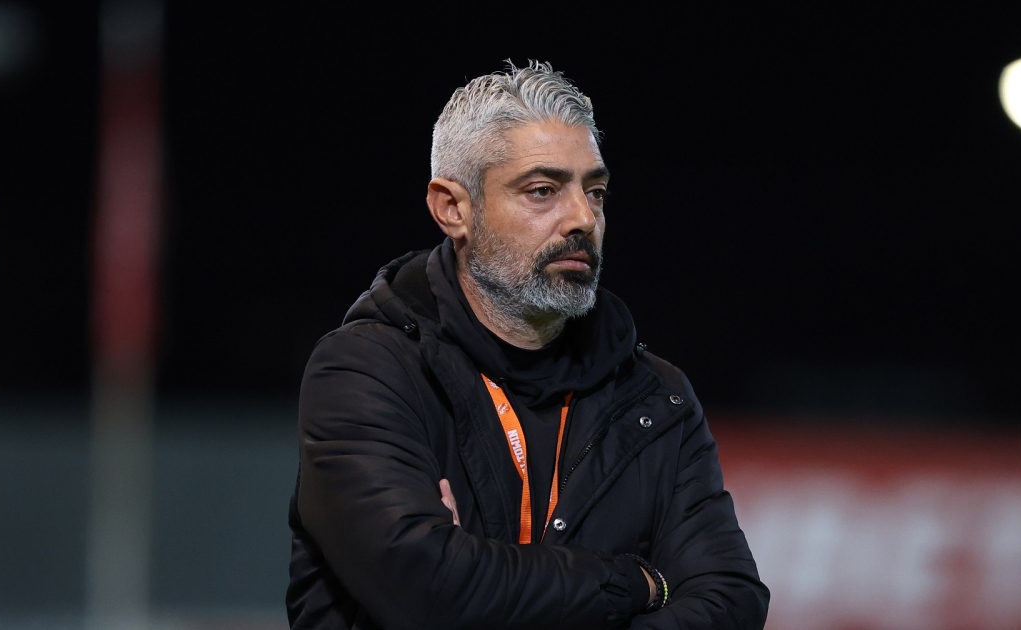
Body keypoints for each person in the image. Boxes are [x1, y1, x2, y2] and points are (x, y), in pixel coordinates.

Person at [286, 61, 769, 629]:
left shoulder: (657, 398)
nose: (583, 218)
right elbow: (426, 588)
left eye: (595, 191)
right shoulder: (364, 372)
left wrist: (480, 576)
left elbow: (731, 602)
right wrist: (633, 584)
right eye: (543, 191)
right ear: (453, 209)